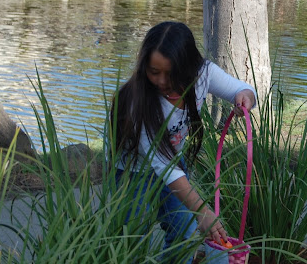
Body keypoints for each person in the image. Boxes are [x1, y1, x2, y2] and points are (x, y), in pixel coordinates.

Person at [108, 21, 256, 264]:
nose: (161, 81)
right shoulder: (136, 103)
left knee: (184, 235)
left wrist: (245, 97)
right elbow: (162, 164)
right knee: (132, 240)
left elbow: (243, 89)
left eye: (171, 73)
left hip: (173, 165)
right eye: (153, 72)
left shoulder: (203, 73)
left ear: (188, 67)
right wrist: (202, 210)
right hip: (133, 172)